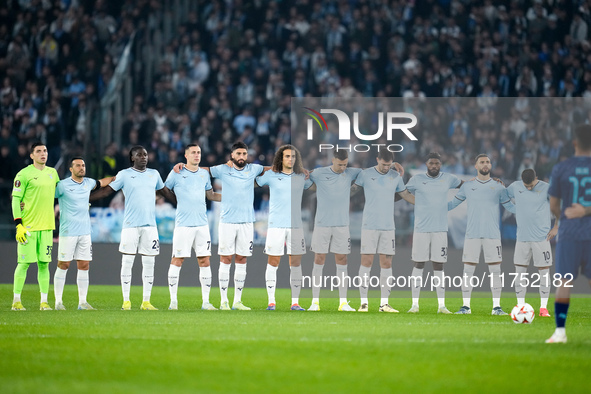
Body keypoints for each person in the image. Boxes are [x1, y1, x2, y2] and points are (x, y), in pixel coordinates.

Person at [90, 146, 176, 310]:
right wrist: (84, 198)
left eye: (145, 154)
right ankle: (126, 301)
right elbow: (106, 192)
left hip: (150, 226)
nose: (143, 157)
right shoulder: (124, 175)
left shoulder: (154, 174)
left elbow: (165, 193)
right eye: (139, 155)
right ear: (132, 158)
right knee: (127, 262)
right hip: (130, 225)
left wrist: (181, 203)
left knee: (149, 263)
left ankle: (146, 301)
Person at [448, 154, 514, 315]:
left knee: (495, 270)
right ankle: (465, 307)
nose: (485, 164)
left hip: (492, 234)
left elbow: (511, 208)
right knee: (468, 270)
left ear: (490, 166)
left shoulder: (499, 187)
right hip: (472, 235)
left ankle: (497, 307)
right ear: (476, 166)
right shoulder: (468, 187)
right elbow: (451, 204)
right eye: (482, 162)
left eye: (488, 162)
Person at [546, 124, 591, 344]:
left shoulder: (561, 168)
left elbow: (553, 204)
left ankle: (560, 332)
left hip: (569, 233)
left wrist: (564, 215)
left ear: (575, 142)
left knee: (564, 282)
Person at [354, 150, 415, 312]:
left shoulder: (395, 176)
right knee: (366, 262)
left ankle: (384, 304)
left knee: (386, 264)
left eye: (389, 165)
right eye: (383, 164)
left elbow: (405, 195)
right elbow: (352, 190)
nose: (386, 168)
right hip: (369, 226)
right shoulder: (365, 174)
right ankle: (363, 303)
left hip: (388, 227)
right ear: (377, 159)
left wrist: (424, 204)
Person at [256, 145, 313, 311]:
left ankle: (295, 302)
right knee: (273, 262)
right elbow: (254, 182)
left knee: (295, 264)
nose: (291, 159)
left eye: (293, 157)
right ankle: (271, 302)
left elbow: (315, 185)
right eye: (287, 156)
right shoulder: (271, 175)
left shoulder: (301, 176)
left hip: (295, 226)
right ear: (281, 158)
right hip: (276, 226)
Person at [53, 157, 115, 310]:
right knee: (63, 264)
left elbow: (101, 182)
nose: (81, 168)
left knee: (84, 265)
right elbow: (48, 196)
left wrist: (115, 178)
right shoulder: (62, 185)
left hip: (85, 231)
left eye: (83, 165)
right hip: (68, 232)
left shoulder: (88, 182)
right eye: (78, 166)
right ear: (71, 169)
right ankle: (58, 302)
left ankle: (82, 302)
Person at [164, 144, 221, 310]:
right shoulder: (176, 172)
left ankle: (206, 302)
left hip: (202, 225)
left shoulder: (204, 174)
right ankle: (173, 301)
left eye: (199, 152)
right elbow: (164, 190)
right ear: (186, 155)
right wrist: (178, 201)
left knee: (204, 260)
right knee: (177, 259)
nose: (197, 155)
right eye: (193, 153)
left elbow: (210, 195)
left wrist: (229, 198)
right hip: (184, 225)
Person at [405, 152, 463, 314]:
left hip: (440, 229)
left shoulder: (449, 178)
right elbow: (402, 192)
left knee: (439, 265)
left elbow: (465, 185)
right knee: (419, 263)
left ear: (440, 164)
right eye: (431, 163)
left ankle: (442, 306)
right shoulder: (416, 179)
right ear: (426, 164)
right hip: (421, 229)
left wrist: (482, 183)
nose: (434, 166)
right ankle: (415, 305)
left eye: (437, 163)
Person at [210, 141, 265, 311]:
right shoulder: (222, 169)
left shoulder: (253, 169)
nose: (241, 157)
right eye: (238, 154)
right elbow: (203, 171)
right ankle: (223, 300)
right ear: (232, 155)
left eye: (244, 154)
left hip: (247, 222)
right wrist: (183, 166)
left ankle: (237, 301)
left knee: (242, 258)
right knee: (225, 258)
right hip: (227, 221)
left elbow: (270, 168)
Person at [11, 142, 59, 311]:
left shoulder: (53, 173)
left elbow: (60, 193)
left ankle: (44, 302)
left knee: (44, 265)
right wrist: (19, 225)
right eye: (38, 151)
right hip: (29, 228)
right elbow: (16, 199)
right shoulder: (23, 174)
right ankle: (16, 301)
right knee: (23, 264)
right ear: (31, 155)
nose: (42, 153)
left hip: (47, 227)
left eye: (45, 150)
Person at [505, 169, 558, 317]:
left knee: (544, 273)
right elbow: (503, 196)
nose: (528, 188)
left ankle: (543, 308)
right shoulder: (515, 186)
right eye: (526, 185)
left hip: (541, 238)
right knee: (520, 273)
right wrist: (514, 209)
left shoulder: (546, 187)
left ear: (537, 178)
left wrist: (556, 227)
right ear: (521, 180)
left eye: (531, 185)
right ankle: (520, 305)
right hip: (522, 238)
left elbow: (558, 205)